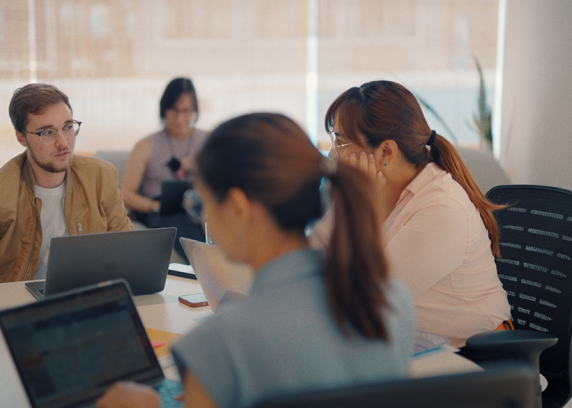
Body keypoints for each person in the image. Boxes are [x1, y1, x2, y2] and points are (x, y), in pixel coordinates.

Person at [97, 113, 415, 408]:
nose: (203, 216)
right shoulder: (394, 301)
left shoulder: (220, 343)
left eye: (202, 202)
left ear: (237, 206)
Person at [310, 80, 511, 348]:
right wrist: (351, 201)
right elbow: (308, 259)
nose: (332, 154)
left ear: (386, 152)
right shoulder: (379, 194)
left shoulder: (443, 208)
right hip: (415, 348)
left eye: (340, 141)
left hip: (475, 361)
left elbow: (367, 303)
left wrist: (353, 205)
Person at [0, 83, 131, 288]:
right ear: (22, 138)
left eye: (68, 127)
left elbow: (128, 250)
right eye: (47, 132)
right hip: (19, 306)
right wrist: (10, 301)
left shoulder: (101, 176)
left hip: (87, 301)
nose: (63, 142)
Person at [121, 77, 208, 260]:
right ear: (164, 109)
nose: (179, 118)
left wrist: (199, 167)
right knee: (178, 222)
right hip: (160, 211)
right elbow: (126, 193)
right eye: (173, 110)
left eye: (187, 111)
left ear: (195, 110)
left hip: (199, 207)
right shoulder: (146, 145)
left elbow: (224, 182)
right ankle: (209, 270)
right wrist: (154, 206)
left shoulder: (208, 141)